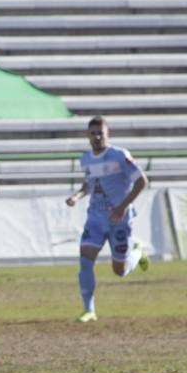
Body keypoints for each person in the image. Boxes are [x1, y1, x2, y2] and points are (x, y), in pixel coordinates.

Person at [64, 115, 150, 322]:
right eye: (92, 133)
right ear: (88, 136)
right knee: (85, 258)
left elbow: (142, 182)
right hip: (95, 217)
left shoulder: (119, 156)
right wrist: (76, 196)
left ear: (107, 134)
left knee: (119, 270)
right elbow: (89, 184)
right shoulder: (85, 158)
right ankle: (89, 310)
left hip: (119, 219)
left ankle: (137, 251)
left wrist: (122, 207)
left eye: (100, 133)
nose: (96, 137)